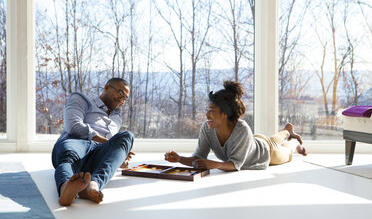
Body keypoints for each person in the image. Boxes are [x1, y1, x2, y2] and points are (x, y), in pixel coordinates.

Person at [165, 80, 307, 171]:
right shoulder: (207, 128)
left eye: (211, 111)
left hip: (267, 152)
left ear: (225, 113)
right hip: (253, 141)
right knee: (272, 139)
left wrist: (215, 164)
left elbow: (235, 164)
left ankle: (294, 142)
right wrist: (179, 159)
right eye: (206, 110)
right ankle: (287, 130)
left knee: (287, 151)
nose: (207, 115)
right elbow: (198, 158)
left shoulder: (242, 128)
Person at [51, 78, 135, 206]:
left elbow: (112, 146)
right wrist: (106, 142)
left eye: (125, 98)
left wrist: (119, 157)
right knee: (69, 156)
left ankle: (93, 185)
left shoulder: (117, 117)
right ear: (107, 87)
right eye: (120, 93)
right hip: (76, 144)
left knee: (127, 136)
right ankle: (65, 189)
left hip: (97, 156)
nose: (122, 100)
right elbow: (74, 126)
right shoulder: (81, 99)